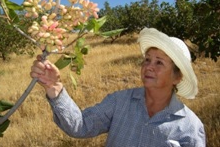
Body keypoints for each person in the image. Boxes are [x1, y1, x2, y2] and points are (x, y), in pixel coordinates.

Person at [30, 27, 206, 147]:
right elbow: (80, 126)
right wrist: (54, 88)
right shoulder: (119, 101)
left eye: (159, 62)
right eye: (147, 59)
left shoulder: (189, 127)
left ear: (177, 77)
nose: (149, 66)